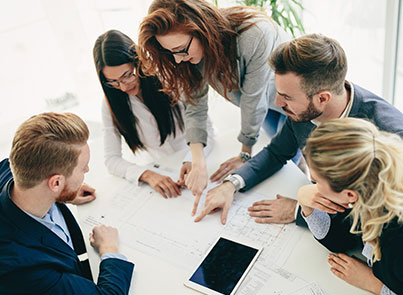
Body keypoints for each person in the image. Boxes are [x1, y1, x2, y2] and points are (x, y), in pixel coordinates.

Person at [194, 33, 403, 225]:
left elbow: (383, 217)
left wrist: (299, 210)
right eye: (278, 92)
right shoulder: (304, 109)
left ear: (322, 98)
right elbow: (276, 152)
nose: (276, 102)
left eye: (286, 97)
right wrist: (231, 184)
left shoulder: (390, 135)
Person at [138, 0, 290, 215]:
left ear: (200, 28)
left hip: (293, 104)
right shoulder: (190, 54)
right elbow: (194, 105)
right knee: (276, 170)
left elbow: (253, 99)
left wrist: (244, 154)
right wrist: (197, 160)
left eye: (180, 50)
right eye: (171, 53)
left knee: (290, 166)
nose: (178, 60)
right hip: (264, 108)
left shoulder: (255, 34)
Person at [0, 112, 134, 294]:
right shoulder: (26, 269)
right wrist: (109, 249)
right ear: (55, 182)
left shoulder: (14, 168)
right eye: (82, 168)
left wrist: (67, 191)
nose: (87, 170)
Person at [93, 29, 213, 199]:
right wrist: (147, 174)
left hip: (201, 156)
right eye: (113, 82)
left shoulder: (169, 78)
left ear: (138, 62)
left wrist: (193, 160)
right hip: (164, 171)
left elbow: (206, 126)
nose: (123, 87)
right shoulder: (110, 104)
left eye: (127, 76)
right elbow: (111, 160)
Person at [298, 118, 403, 294]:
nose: (313, 186)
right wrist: (305, 202)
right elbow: (339, 239)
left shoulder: (397, 247)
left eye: (316, 181)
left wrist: (372, 283)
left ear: (349, 194)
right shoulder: (369, 190)